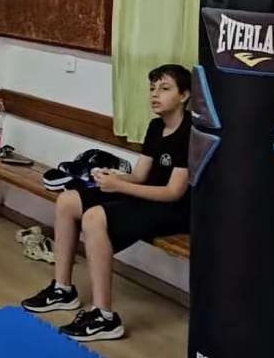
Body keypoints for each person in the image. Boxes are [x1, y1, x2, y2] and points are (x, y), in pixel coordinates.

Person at [22, 63, 193, 340]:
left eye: (164, 88)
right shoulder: (155, 127)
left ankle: (105, 317)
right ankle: (63, 290)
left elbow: (173, 192)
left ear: (184, 95)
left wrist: (120, 187)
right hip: (146, 196)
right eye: (152, 88)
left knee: (94, 217)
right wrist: (113, 178)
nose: (155, 94)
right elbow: (140, 176)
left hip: (175, 209)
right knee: (68, 200)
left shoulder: (190, 133)